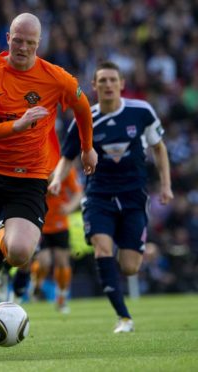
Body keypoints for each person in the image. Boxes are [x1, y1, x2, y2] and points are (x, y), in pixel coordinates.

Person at [0, 13, 97, 358]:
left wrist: (87, 148)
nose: (23, 48)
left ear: (38, 44)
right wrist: (16, 126)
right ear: (8, 38)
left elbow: (82, 106)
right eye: (18, 40)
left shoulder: (54, 78)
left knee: (20, 253)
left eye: (30, 43)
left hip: (28, 177)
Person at [48, 60, 173, 333]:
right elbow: (66, 156)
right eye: (102, 80)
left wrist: (166, 185)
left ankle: (127, 259)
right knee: (103, 249)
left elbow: (159, 148)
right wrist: (57, 180)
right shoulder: (85, 117)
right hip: (98, 196)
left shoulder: (141, 112)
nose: (107, 85)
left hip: (133, 197)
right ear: (93, 86)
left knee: (129, 267)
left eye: (112, 80)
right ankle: (124, 317)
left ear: (121, 84)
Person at [30, 165, 83, 312]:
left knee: (62, 261)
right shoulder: (36, 166)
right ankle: (36, 283)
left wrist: (70, 207)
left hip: (60, 224)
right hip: (40, 223)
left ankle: (61, 298)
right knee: (44, 263)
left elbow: (78, 193)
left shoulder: (66, 169)